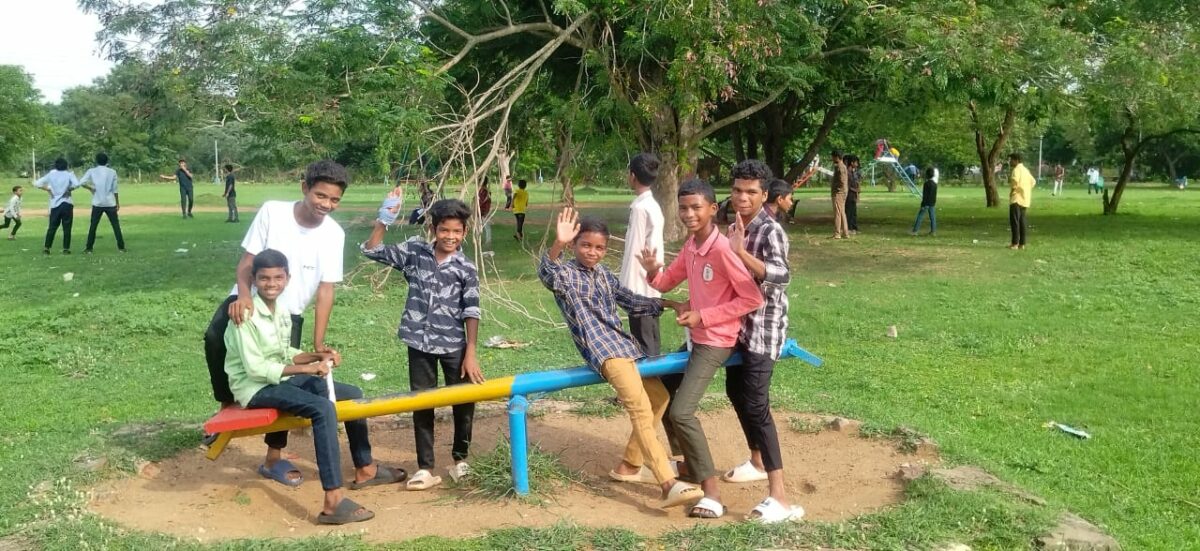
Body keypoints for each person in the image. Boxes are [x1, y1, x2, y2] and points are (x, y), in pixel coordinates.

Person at [224, 249, 405, 525]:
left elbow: (284, 354)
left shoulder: (280, 310)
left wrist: (318, 356)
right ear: (253, 280)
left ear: (287, 279)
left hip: (279, 379)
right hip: (255, 389)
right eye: (264, 279)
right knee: (322, 409)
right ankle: (333, 500)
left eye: (277, 278)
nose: (271, 284)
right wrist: (308, 369)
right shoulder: (245, 315)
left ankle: (365, 467)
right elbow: (256, 369)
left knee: (351, 396)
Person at [539, 207, 703, 510]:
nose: (592, 252)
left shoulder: (604, 275)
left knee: (659, 398)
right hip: (605, 353)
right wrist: (558, 244)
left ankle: (629, 466)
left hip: (626, 348)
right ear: (575, 245)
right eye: (585, 245)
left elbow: (633, 301)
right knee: (641, 409)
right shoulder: (566, 276)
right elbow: (547, 273)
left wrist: (672, 303)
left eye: (599, 247)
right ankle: (668, 483)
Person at [201, 160, 350, 472]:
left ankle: (274, 457)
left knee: (285, 382)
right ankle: (227, 403)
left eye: (334, 200)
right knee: (215, 336)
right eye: (321, 196)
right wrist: (243, 296)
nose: (326, 204)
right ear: (305, 188)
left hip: (287, 313)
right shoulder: (273, 211)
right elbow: (247, 261)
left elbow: (326, 290)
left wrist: (318, 341)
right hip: (249, 297)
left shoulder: (334, 234)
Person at [638, 178, 764, 519]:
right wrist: (653, 272)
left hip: (717, 340)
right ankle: (693, 466)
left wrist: (703, 315)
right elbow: (667, 281)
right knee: (663, 394)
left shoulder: (722, 249)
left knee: (681, 411)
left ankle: (711, 494)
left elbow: (752, 298)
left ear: (712, 209)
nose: (689, 214)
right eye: (683, 207)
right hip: (697, 335)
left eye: (696, 207)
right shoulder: (692, 247)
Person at [362, 192, 483, 490]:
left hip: (455, 345)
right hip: (419, 342)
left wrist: (470, 352)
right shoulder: (415, 252)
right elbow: (372, 250)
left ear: (464, 233)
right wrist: (385, 218)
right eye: (444, 230)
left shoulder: (466, 268)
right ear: (433, 229)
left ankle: (460, 460)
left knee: (463, 401)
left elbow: (472, 309)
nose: (450, 236)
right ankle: (425, 468)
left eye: (456, 231)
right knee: (422, 402)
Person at [722, 159, 804, 523]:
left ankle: (780, 498)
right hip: (736, 323)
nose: (742, 197)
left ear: (764, 194)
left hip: (764, 327)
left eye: (751, 192)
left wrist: (740, 252)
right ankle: (756, 460)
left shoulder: (770, 231)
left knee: (756, 404)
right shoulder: (734, 224)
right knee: (734, 391)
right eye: (738, 190)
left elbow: (782, 277)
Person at [620, 153, 666, 356]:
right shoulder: (652, 205)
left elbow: (634, 249)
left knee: (645, 345)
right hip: (651, 281)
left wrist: (625, 289)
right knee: (651, 340)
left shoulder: (640, 208)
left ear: (632, 176)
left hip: (640, 286)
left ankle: (650, 386)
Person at [34, 158, 82, 255]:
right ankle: (66, 248)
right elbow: (77, 184)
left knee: (52, 227)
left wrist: (48, 190)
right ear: (66, 165)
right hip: (67, 202)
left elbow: (37, 183)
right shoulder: (69, 174)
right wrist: (69, 189)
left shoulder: (51, 174)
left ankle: (47, 248)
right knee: (67, 227)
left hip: (55, 204)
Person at [80, 153, 125, 253]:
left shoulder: (92, 171)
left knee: (93, 226)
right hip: (110, 202)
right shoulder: (112, 172)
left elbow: (82, 182)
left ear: (96, 160)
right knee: (115, 225)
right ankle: (121, 247)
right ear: (107, 161)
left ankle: (89, 248)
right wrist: (117, 202)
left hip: (97, 202)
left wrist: (91, 188)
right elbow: (115, 189)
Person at [1008, 153, 1035, 250]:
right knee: (1022, 221)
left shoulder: (1016, 170)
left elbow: (1014, 182)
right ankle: (1022, 244)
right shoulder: (1025, 170)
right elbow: (1033, 182)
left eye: (1011, 160)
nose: (1010, 162)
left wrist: (1012, 192)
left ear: (1016, 160)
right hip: (1025, 199)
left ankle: (1015, 243)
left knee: (1014, 221)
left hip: (1016, 199)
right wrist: (1026, 189)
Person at [911, 167, 938, 236]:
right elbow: (934, 195)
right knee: (932, 217)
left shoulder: (926, 184)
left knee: (920, 216)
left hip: (926, 203)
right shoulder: (935, 184)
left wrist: (923, 204)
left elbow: (925, 195)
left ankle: (915, 231)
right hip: (932, 203)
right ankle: (933, 231)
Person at [830, 150, 850, 239]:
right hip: (842, 192)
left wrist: (837, 189)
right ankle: (845, 233)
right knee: (842, 212)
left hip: (839, 193)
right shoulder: (842, 166)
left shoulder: (840, 167)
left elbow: (842, 180)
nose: (832, 158)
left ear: (837, 157)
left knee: (837, 213)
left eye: (833, 157)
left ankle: (837, 233)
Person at [845, 155, 861, 234]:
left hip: (854, 195)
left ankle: (854, 228)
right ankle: (849, 228)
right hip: (849, 195)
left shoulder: (854, 172)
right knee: (849, 212)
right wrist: (855, 190)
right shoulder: (847, 172)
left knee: (854, 212)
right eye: (856, 162)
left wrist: (858, 192)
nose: (857, 164)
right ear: (851, 163)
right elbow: (847, 186)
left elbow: (857, 183)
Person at [477, 177, 493, 245]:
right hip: (483, 210)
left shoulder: (484, 191)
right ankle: (482, 240)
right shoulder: (485, 190)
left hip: (483, 210)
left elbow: (481, 201)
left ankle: (487, 241)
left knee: (485, 226)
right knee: (483, 226)